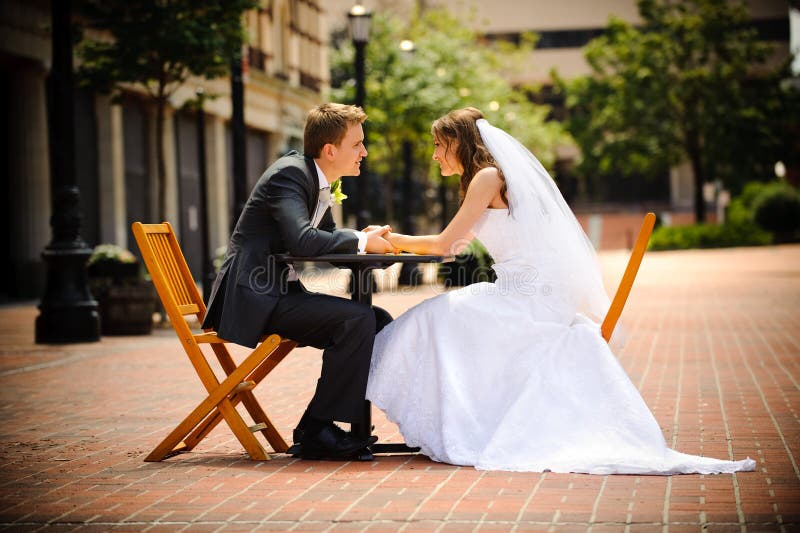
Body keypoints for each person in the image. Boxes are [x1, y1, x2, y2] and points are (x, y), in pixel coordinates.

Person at [367, 107, 755, 474]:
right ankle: (466, 417)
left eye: (438, 144)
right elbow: (458, 245)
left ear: (459, 143)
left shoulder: (487, 177)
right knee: (442, 319)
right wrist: (398, 242)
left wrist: (388, 237)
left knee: (431, 319)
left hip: (530, 295)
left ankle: (463, 422)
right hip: (531, 290)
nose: (434, 155)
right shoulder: (486, 178)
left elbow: (442, 245)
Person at [203, 103, 395, 461]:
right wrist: (363, 242)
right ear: (330, 150)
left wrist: (369, 243)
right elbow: (303, 241)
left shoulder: (318, 179)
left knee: (378, 321)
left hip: (280, 292)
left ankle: (317, 426)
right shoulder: (289, 175)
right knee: (358, 320)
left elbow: (327, 239)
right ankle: (319, 430)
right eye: (358, 145)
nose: (364, 152)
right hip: (256, 297)